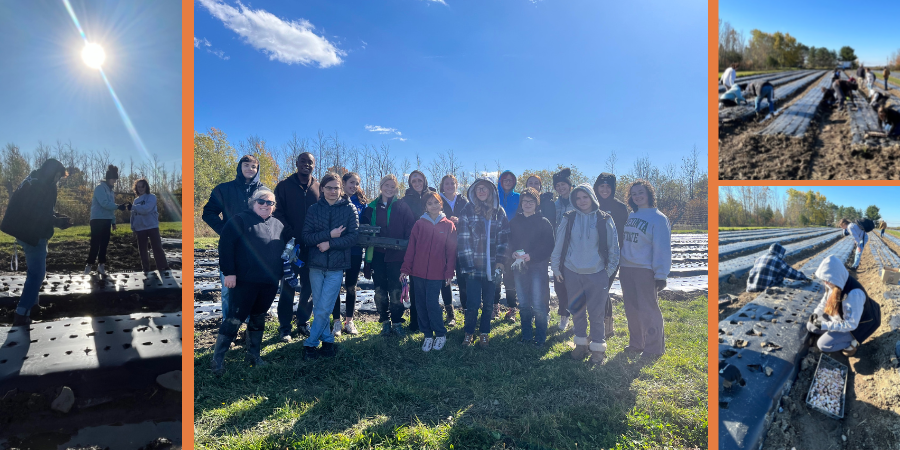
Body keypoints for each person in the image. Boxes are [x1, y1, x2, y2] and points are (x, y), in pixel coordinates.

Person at [211, 188, 285, 376]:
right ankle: (218, 359)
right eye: (262, 201)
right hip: (245, 281)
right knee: (235, 318)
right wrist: (229, 273)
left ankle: (253, 354)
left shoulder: (278, 225)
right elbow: (225, 246)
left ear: (274, 207)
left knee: (259, 316)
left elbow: (283, 251)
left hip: (269, 282)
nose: (265, 206)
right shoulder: (239, 220)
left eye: (270, 203)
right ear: (253, 202)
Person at [550, 185, 619, 364]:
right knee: (577, 311)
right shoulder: (569, 218)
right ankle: (580, 344)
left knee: (596, 313)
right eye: (578, 198)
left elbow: (614, 249)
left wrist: (607, 272)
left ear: (592, 198)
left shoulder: (605, 219)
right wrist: (556, 267)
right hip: (572, 272)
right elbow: (559, 244)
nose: (581, 201)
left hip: (596, 273)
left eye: (585, 197)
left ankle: (597, 348)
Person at [0, 159, 70, 326]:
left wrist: (56, 217)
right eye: (58, 176)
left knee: (34, 272)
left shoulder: (34, 180)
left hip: (25, 231)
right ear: (53, 172)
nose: (58, 180)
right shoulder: (40, 185)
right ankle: (21, 313)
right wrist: (56, 222)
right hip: (32, 233)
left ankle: (33, 306)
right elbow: (36, 212)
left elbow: (41, 209)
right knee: (37, 274)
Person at [301, 173, 360, 360]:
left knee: (323, 306)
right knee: (320, 305)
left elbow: (353, 237)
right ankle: (327, 341)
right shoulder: (313, 209)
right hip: (316, 265)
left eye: (336, 188)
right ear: (323, 189)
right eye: (329, 188)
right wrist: (329, 235)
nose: (333, 191)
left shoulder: (350, 209)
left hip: (337, 265)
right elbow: (306, 237)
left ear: (341, 189)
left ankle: (310, 343)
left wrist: (330, 243)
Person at [202, 155, 265, 321]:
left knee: (252, 289)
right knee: (228, 290)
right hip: (230, 248)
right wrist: (225, 231)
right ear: (239, 167)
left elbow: (270, 216)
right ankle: (228, 328)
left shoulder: (263, 191)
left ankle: (250, 329)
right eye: (246, 165)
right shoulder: (224, 189)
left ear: (258, 169)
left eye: (254, 166)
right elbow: (208, 213)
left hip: (255, 249)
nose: (250, 169)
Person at [619, 180, 671, 358]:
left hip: (645, 269)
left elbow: (662, 248)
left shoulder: (658, 218)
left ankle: (654, 348)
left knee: (648, 309)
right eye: (634, 194)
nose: (637, 196)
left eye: (641, 192)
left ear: (649, 194)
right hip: (626, 267)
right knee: (631, 308)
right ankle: (636, 343)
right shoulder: (631, 216)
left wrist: (661, 274)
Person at [401, 192, 457, 352]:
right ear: (425, 206)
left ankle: (440, 334)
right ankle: (427, 335)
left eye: (436, 202)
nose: (433, 205)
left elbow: (451, 252)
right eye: (430, 203)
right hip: (417, 273)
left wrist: (449, 273)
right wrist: (405, 269)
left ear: (441, 204)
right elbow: (411, 248)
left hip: (436, 273)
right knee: (420, 304)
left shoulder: (448, 225)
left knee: (432, 303)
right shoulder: (419, 224)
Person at [457, 178, 510, 347]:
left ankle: (484, 332)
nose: (481, 191)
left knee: (489, 303)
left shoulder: (498, 212)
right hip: (473, 267)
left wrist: (500, 263)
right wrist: (468, 265)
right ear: (474, 191)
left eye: (484, 189)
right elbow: (463, 240)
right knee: (472, 303)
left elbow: (504, 239)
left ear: (491, 192)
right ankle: (469, 332)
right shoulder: (467, 210)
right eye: (478, 189)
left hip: (492, 267)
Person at [272, 153, 319, 342]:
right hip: (291, 247)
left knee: (309, 287)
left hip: (313, 247)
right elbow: (277, 212)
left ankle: (303, 321)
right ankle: (284, 327)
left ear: (314, 165)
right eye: (303, 161)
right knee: (288, 286)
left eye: (310, 162)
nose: (306, 165)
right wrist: (290, 233)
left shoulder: (318, 187)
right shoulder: (283, 186)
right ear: (296, 163)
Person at [364, 175, 416, 336]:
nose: (389, 189)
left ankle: (397, 322)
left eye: (393, 186)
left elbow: (410, 228)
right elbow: (364, 231)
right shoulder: (371, 207)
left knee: (396, 290)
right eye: (387, 185)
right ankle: (385, 322)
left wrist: (406, 249)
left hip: (396, 257)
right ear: (381, 186)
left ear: (396, 189)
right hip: (377, 256)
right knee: (380, 291)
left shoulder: (402, 206)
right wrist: (367, 262)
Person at [807, 255, 882, 357]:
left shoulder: (853, 295)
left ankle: (853, 342)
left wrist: (824, 325)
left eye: (827, 280)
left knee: (823, 344)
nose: (825, 282)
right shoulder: (833, 283)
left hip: (858, 325)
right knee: (811, 326)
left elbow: (851, 324)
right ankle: (835, 333)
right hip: (840, 318)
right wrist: (816, 313)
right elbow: (825, 300)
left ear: (835, 276)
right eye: (824, 280)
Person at [508, 188, 555, 347]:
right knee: (523, 302)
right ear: (521, 203)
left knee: (539, 304)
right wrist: (513, 253)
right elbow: (509, 242)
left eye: (531, 201)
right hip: (519, 267)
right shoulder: (515, 221)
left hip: (537, 267)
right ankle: (526, 335)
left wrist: (532, 256)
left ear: (536, 203)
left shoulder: (543, 222)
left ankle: (540, 337)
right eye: (525, 201)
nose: (528, 204)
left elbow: (549, 245)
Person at [331, 172, 367, 337]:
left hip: (355, 251)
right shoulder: (335, 200)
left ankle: (349, 321)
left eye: (357, 184)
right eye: (351, 183)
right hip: (338, 249)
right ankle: (336, 322)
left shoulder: (361, 204)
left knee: (351, 286)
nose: (354, 186)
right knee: (336, 286)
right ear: (343, 183)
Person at [402, 170, 437, 333]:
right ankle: (415, 321)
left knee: (431, 287)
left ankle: (431, 319)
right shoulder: (405, 200)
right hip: (414, 246)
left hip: (433, 246)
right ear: (410, 182)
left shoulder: (432, 196)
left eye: (420, 180)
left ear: (424, 181)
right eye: (414, 180)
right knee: (416, 287)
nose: (417, 183)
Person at [594, 173, 628, 339]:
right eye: (602, 186)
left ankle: (607, 324)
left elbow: (624, 233)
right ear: (597, 187)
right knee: (597, 289)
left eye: (608, 187)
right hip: (593, 255)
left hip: (613, 256)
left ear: (613, 188)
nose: (605, 190)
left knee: (603, 288)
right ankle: (598, 321)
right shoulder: (591, 204)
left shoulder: (620, 207)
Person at [85, 165, 128, 275]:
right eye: (113, 179)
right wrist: (118, 206)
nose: (114, 181)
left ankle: (101, 265)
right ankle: (89, 265)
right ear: (108, 178)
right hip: (97, 219)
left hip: (107, 220)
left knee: (104, 243)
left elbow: (111, 206)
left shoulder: (111, 191)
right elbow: (104, 204)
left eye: (115, 179)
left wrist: (113, 221)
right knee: (95, 243)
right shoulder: (100, 188)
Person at [439, 174, 468, 325]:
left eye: (452, 183)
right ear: (442, 186)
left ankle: (466, 309)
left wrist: (460, 221)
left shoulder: (464, 201)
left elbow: (471, 219)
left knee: (463, 279)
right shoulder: (438, 200)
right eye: (446, 184)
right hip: (444, 246)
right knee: (446, 279)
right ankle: (450, 313)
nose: (449, 186)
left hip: (462, 245)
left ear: (457, 185)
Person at [553, 168, 576, 330]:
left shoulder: (578, 201)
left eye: (563, 184)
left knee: (576, 285)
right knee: (560, 284)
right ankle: (563, 315)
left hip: (577, 249)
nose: (561, 188)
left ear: (569, 186)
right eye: (558, 185)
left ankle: (578, 317)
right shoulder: (555, 205)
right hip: (560, 249)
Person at [130, 179, 170, 273]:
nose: (140, 189)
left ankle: (163, 267)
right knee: (143, 250)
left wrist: (133, 207)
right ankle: (146, 269)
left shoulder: (151, 197)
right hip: (140, 228)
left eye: (142, 186)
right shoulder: (136, 201)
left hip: (152, 226)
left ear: (146, 187)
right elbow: (133, 215)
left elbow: (146, 209)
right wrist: (133, 227)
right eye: (138, 187)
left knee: (157, 247)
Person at [496, 170, 520, 321]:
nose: (508, 182)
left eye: (511, 180)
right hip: (495, 241)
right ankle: (494, 306)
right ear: (500, 181)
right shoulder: (493, 196)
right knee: (495, 276)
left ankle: (512, 308)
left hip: (512, 241)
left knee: (510, 277)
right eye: (505, 179)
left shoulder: (518, 197)